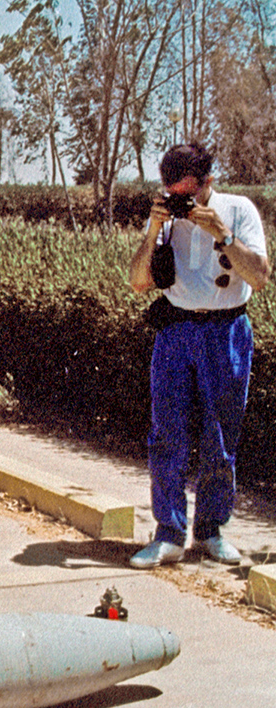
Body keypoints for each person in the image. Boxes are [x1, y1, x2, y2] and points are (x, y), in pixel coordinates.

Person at [126, 142, 270, 569]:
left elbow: (260, 278)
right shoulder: (167, 220)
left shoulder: (238, 209)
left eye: (189, 194)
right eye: (174, 193)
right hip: (176, 330)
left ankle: (210, 529)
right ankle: (168, 533)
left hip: (225, 329)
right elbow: (137, 282)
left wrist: (221, 233)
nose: (182, 202)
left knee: (220, 436)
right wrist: (153, 230)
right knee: (166, 432)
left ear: (209, 183)